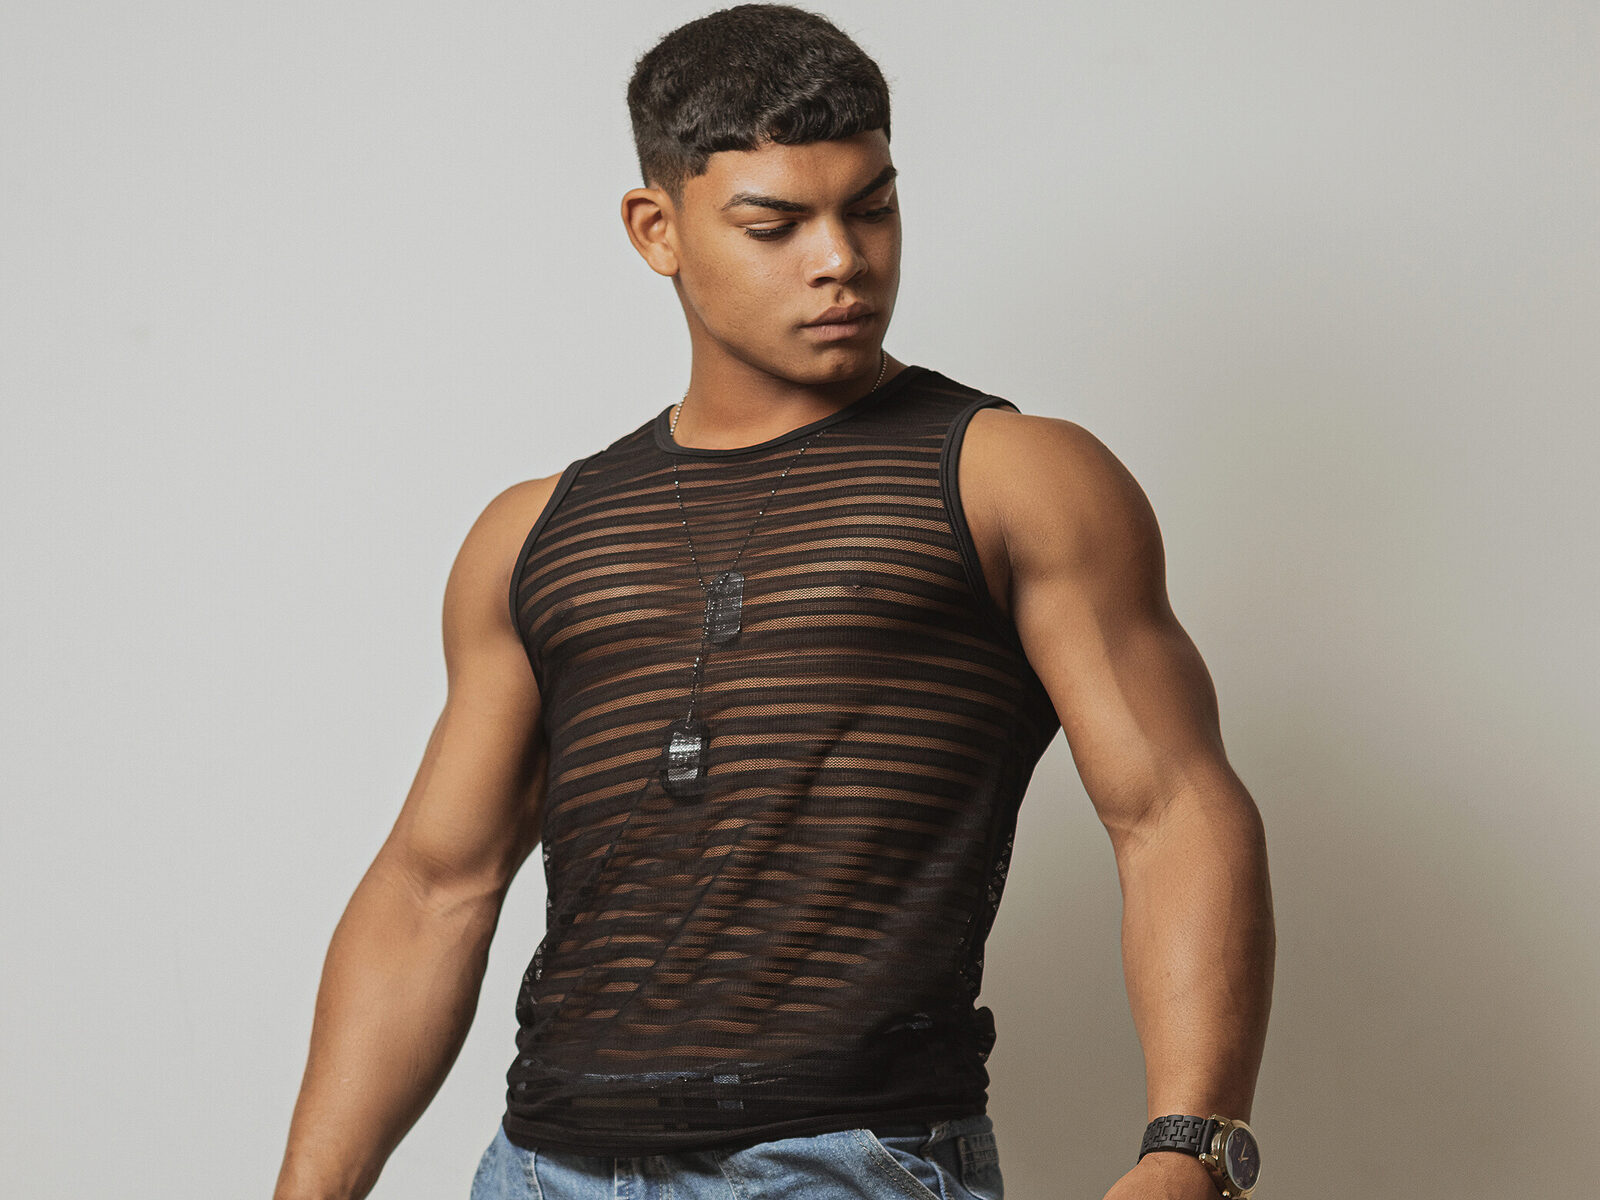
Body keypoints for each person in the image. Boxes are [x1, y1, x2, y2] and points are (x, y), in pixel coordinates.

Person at [273, 6, 1276, 1200]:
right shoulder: (536, 532)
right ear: (656, 229)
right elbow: (433, 886)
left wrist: (1191, 1148)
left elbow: (1169, 807)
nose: (840, 259)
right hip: (542, 1169)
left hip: (839, 1164)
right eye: (776, 224)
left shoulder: (1012, 478)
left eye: (871, 208)